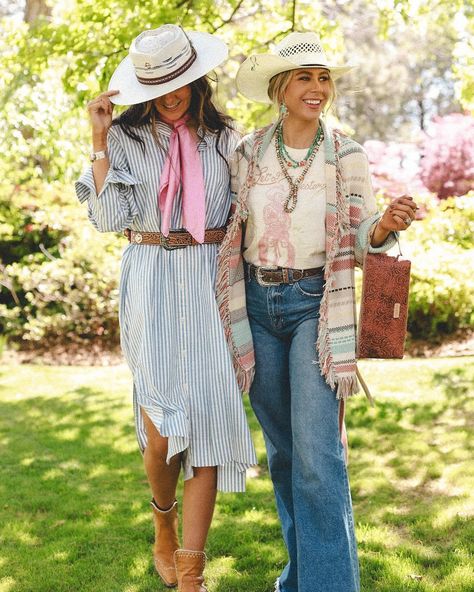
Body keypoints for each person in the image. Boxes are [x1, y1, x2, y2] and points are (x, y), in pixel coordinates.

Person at [216, 31, 417, 592]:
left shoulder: (347, 154)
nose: (317, 87)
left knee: (318, 457)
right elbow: (232, 229)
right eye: (305, 77)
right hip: (256, 305)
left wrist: (384, 227)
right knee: (283, 456)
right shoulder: (249, 151)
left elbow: (360, 238)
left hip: (315, 307)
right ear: (281, 89)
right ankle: (301, 576)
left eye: (323, 77)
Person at [75, 24, 257, 592]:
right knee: (160, 434)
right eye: (158, 85)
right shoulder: (126, 140)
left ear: (196, 78)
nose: (171, 94)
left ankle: (190, 573)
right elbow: (108, 221)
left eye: (179, 81)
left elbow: (253, 209)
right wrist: (100, 142)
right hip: (150, 278)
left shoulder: (227, 138)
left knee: (204, 427)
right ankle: (163, 522)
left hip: (210, 281)